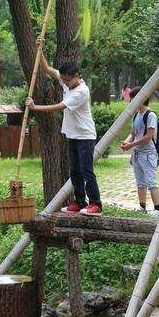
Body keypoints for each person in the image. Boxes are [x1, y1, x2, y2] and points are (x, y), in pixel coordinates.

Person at [26, 36, 102, 216]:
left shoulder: (81, 91)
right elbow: (45, 69)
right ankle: (79, 201)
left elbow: (60, 107)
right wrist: (40, 49)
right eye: (64, 80)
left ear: (76, 76)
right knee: (74, 170)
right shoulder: (66, 81)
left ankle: (96, 204)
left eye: (67, 80)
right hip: (72, 134)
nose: (65, 83)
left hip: (85, 135)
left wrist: (35, 107)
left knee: (86, 170)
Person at [121, 86, 159, 215]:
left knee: (151, 181)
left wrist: (131, 145)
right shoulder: (136, 115)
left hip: (148, 153)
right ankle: (142, 207)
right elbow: (133, 134)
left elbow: (148, 137)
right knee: (140, 182)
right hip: (137, 153)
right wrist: (127, 142)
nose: (131, 102)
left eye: (133, 99)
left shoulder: (151, 115)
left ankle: (157, 209)